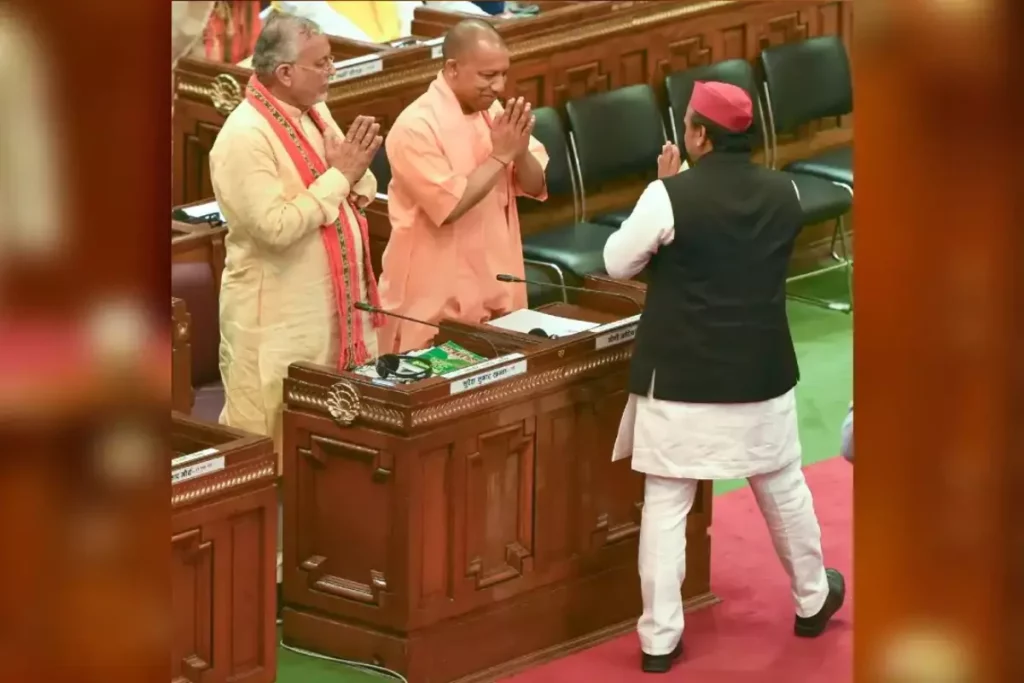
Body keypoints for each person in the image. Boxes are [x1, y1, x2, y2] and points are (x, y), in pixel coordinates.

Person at [604, 81, 846, 674]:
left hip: (680, 377)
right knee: (782, 486)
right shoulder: (787, 190)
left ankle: (659, 640)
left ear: (700, 136)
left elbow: (617, 263)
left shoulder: (668, 196)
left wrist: (665, 189)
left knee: (666, 502)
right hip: (759, 371)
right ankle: (813, 598)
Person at [209, 11, 384, 460]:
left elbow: (360, 186)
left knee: (333, 442)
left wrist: (348, 175)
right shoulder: (243, 137)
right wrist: (341, 177)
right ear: (285, 73)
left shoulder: (315, 112)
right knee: (273, 447)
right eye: (321, 63)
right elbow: (276, 227)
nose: (332, 71)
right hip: (276, 323)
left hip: (333, 310)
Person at [376, 19, 548, 353]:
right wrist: (500, 156)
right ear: (453, 68)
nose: (499, 86)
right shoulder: (416, 127)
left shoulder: (492, 111)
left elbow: (535, 184)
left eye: (503, 74)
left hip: (498, 284)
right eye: (488, 76)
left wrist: (521, 150)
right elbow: (451, 205)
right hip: (434, 299)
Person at [269, 1, 489, 44]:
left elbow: (442, 4)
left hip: (409, 55)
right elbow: (312, 15)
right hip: (347, 68)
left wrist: (491, 25)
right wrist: (385, 54)